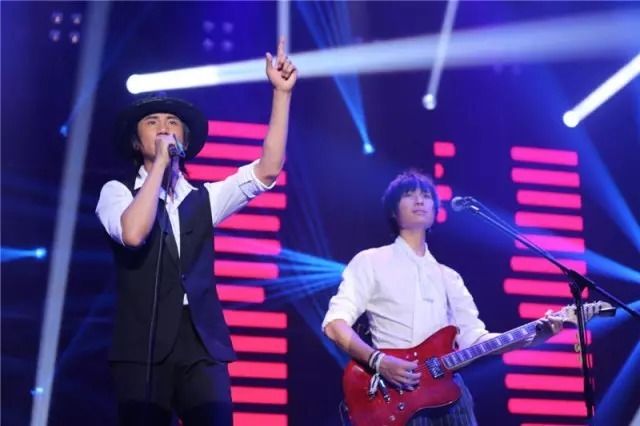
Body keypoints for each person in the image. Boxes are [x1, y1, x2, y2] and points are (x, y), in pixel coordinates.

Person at [96, 38, 296, 425]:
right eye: (152, 123)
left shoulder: (204, 198)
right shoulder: (117, 193)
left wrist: (282, 94)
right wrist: (159, 165)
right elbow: (134, 233)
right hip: (142, 347)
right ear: (136, 142)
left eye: (172, 123)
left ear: (185, 140)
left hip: (202, 343)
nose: (164, 128)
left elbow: (267, 170)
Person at [322, 170, 563, 425]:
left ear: (435, 210)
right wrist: (379, 361)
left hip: (450, 397)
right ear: (393, 210)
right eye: (409, 195)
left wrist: (534, 335)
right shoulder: (371, 261)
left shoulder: (449, 277)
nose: (419, 200)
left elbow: (474, 339)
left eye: (426, 195)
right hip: (396, 395)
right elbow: (335, 324)